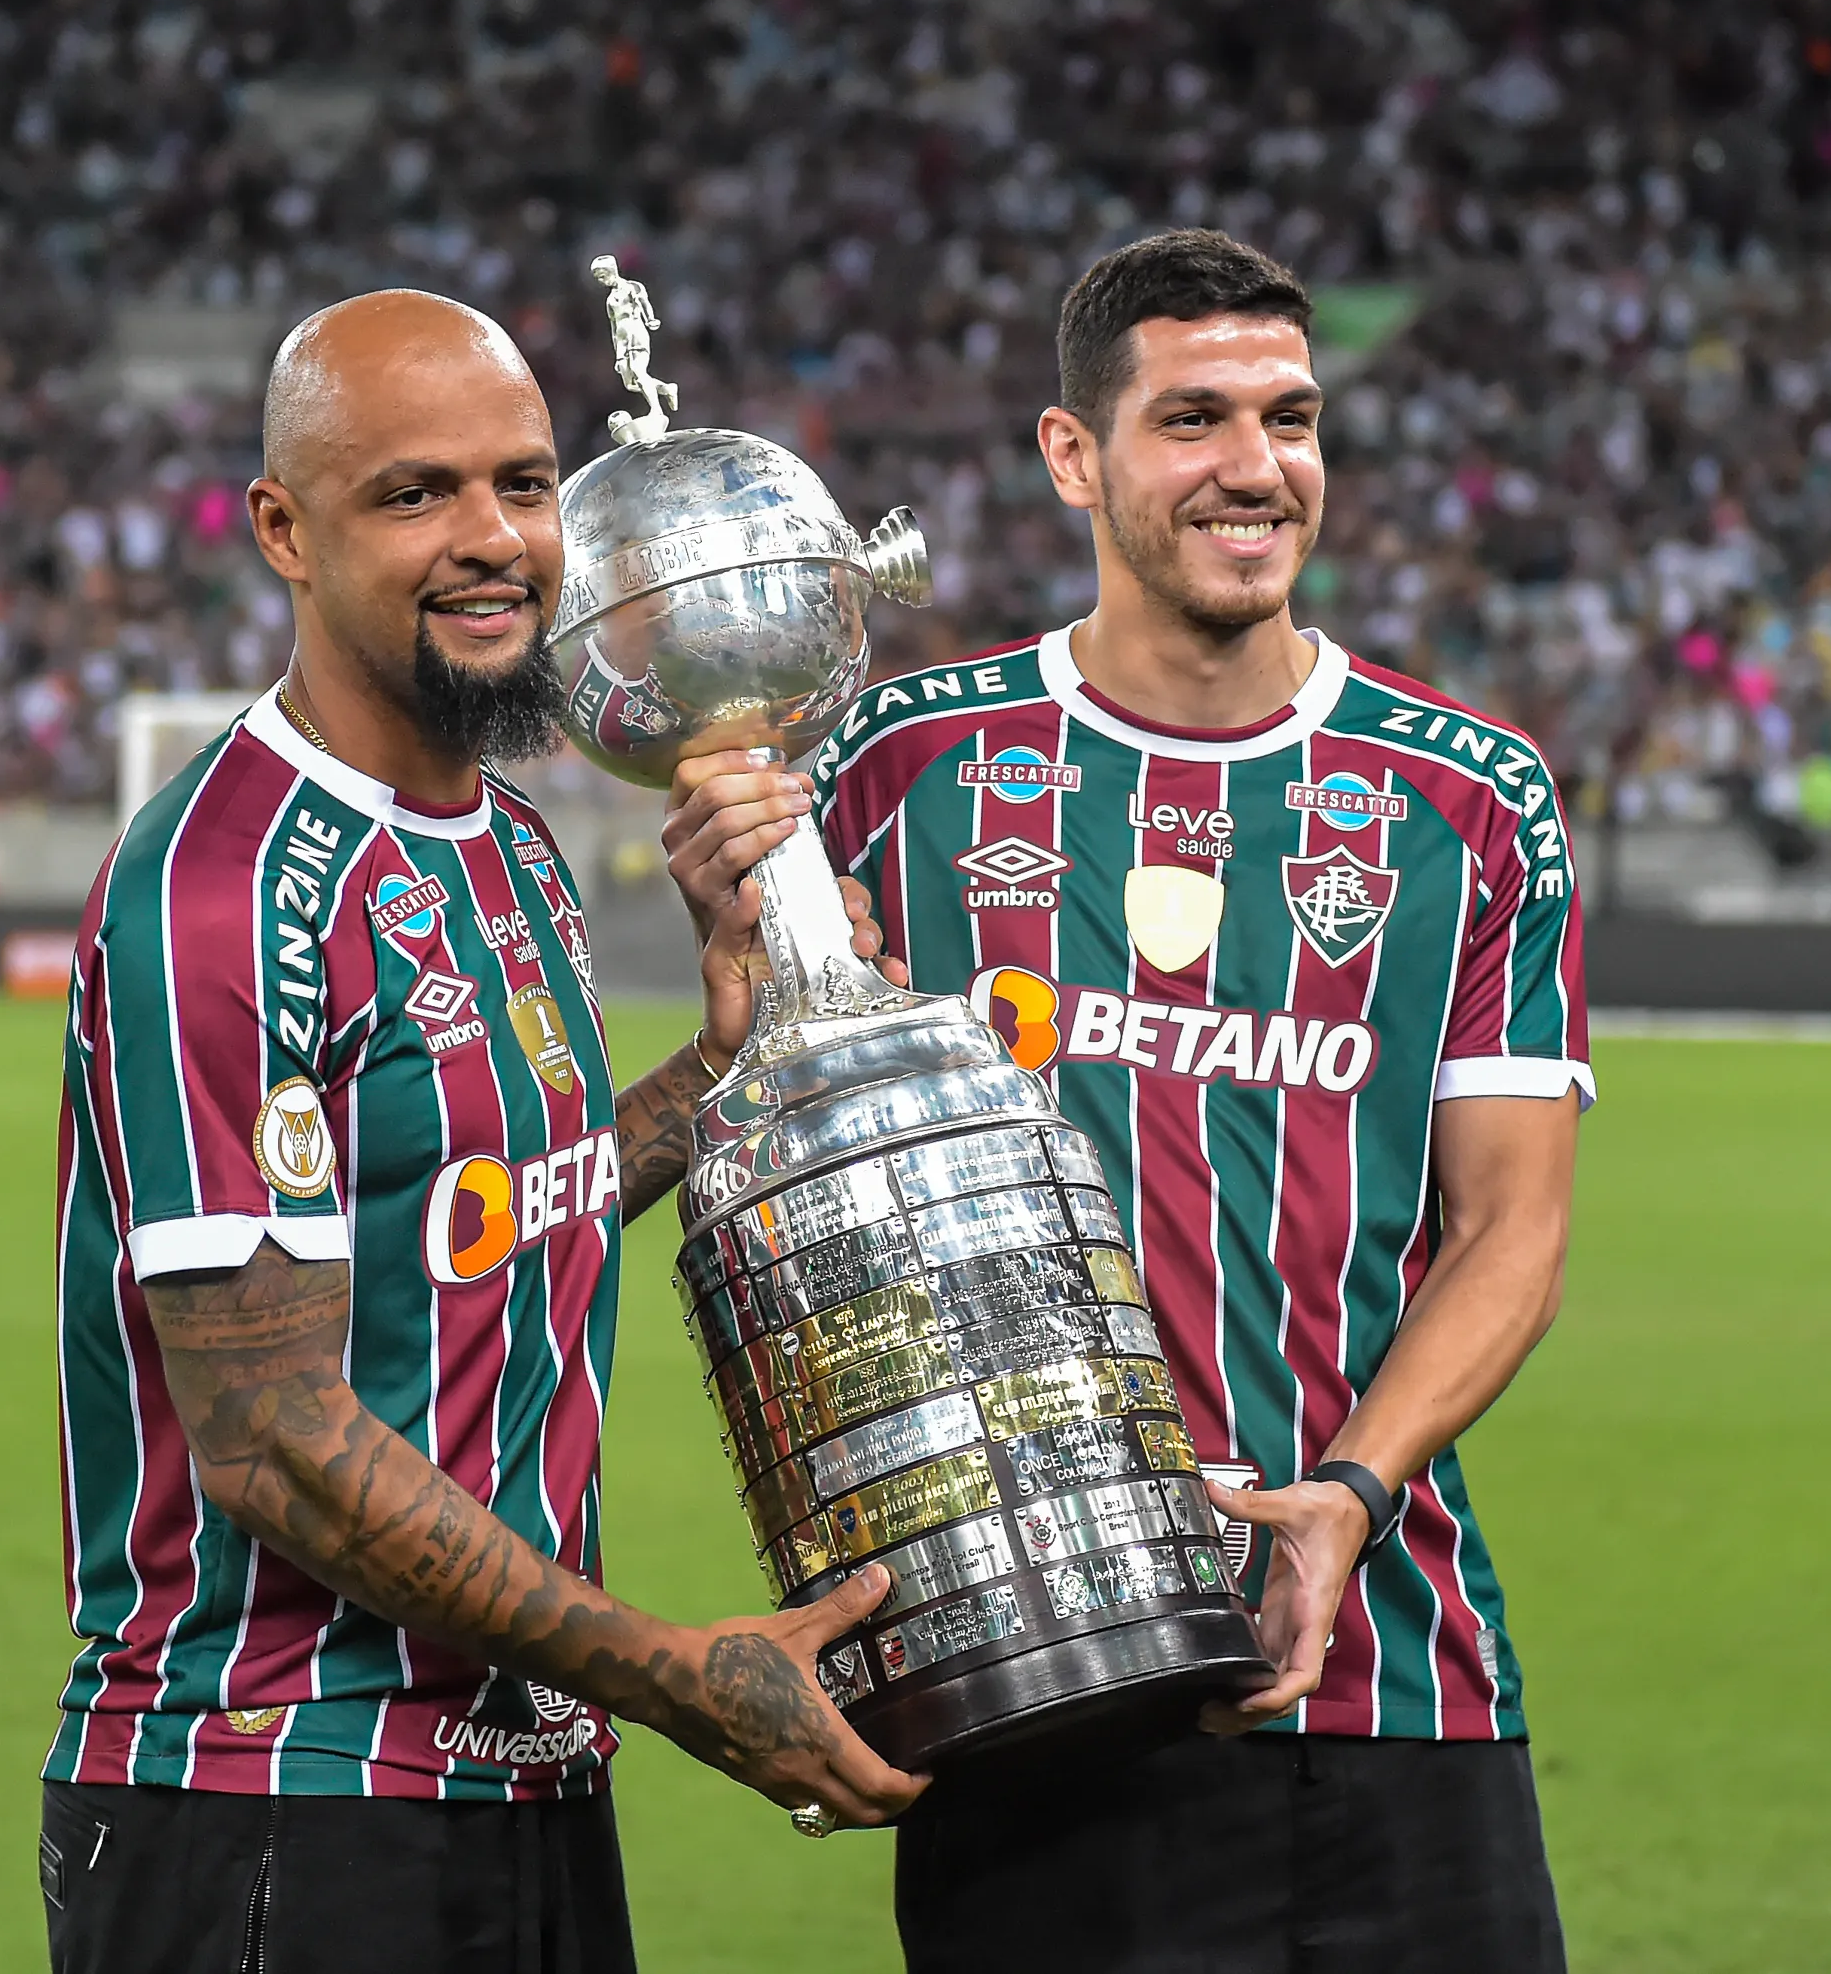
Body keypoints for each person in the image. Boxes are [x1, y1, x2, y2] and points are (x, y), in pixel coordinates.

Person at [665, 230, 1588, 1971]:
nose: (1257, 466)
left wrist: (1349, 1495)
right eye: (1195, 421)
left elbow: (1512, 1227)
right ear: (1074, 455)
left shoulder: (1470, 798)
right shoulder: (900, 769)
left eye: (1290, 418)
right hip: (1028, 1696)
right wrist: (734, 977)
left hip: (1392, 1679)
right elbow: (776, 1159)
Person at [42, 290, 921, 1974]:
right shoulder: (220, 889)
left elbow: (513, 1204)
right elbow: (274, 1439)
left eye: (524, 484)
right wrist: (671, 1672)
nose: (494, 539)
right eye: (414, 493)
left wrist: (717, 1065)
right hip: (275, 1798)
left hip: (523, 1784)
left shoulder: (509, 838)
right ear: (285, 532)